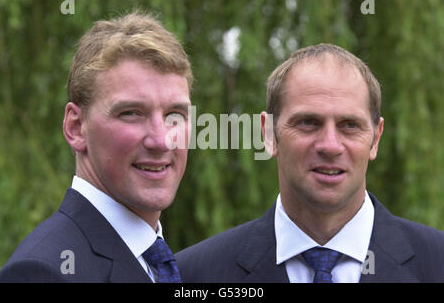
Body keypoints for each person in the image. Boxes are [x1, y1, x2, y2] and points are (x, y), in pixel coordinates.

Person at [176, 43, 444, 283]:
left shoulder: (437, 264)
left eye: (350, 125)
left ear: (375, 139)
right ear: (269, 134)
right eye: (308, 123)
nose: (330, 145)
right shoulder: (193, 275)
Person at [0, 11, 193, 283]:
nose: (161, 140)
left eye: (175, 115)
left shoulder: (159, 262)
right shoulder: (43, 273)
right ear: (75, 128)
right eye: (132, 113)